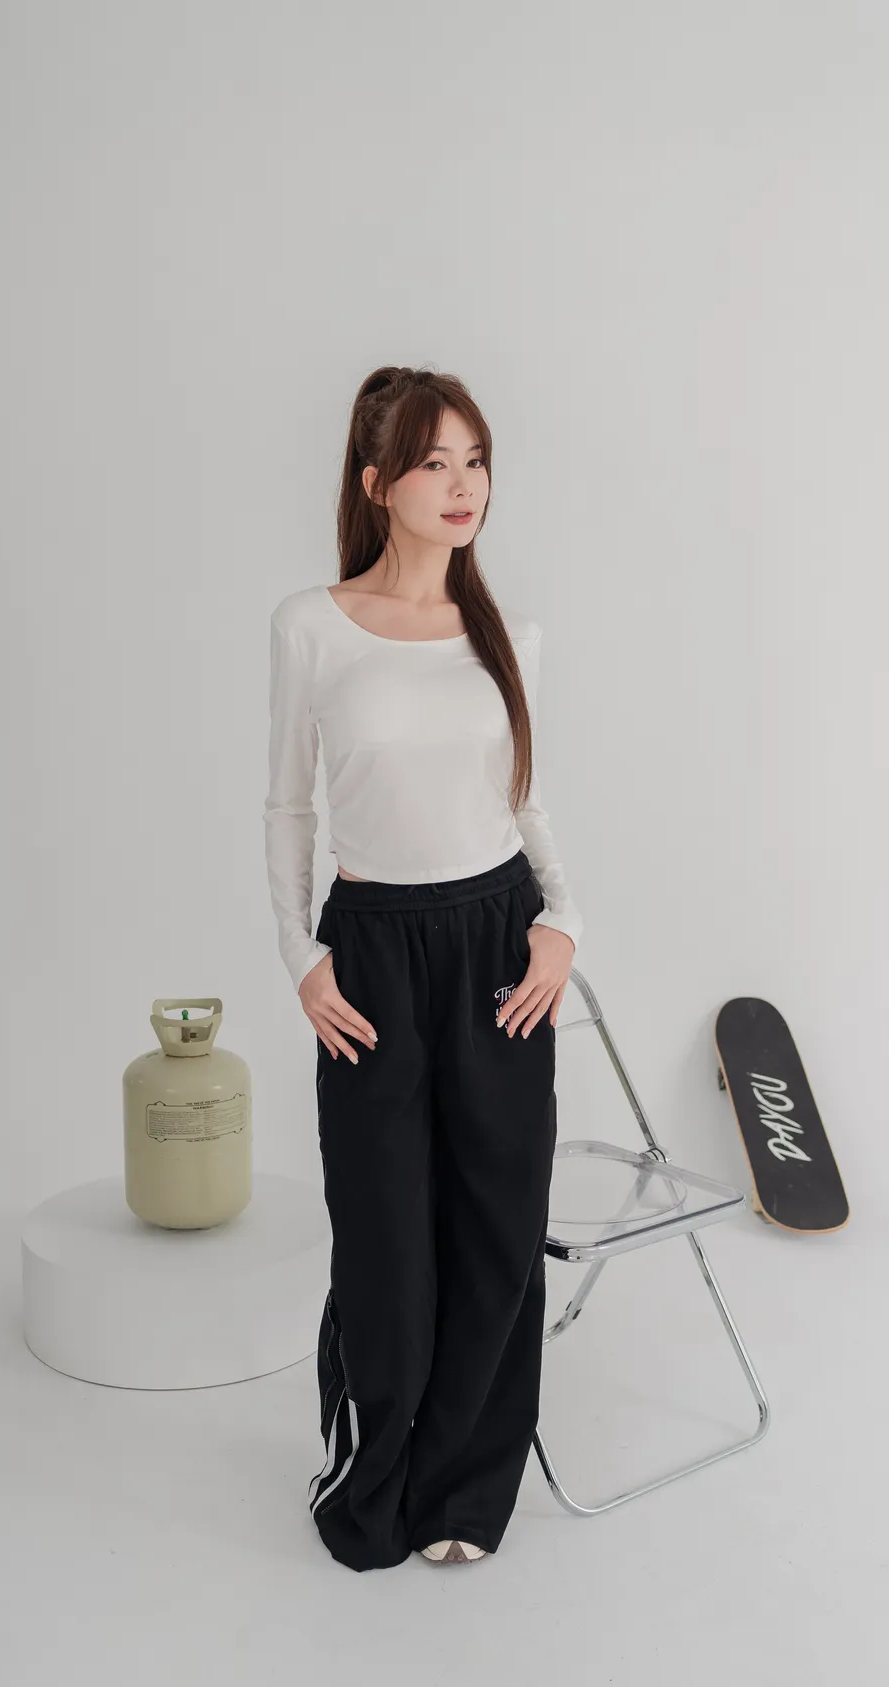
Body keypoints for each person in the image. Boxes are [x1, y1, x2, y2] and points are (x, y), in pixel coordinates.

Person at [263, 364, 584, 1572]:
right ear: (376, 483)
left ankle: (462, 1493)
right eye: (435, 463)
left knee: (497, 1228)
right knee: (385, 1238)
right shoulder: (312, 624)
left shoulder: (511, 636)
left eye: (476, 461)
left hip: (500, 940)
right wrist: (302, 957)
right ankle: (371, 1480)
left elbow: (527, 799)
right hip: (373, 952)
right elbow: (287, 807)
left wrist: (565, 924)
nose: (464, 486)